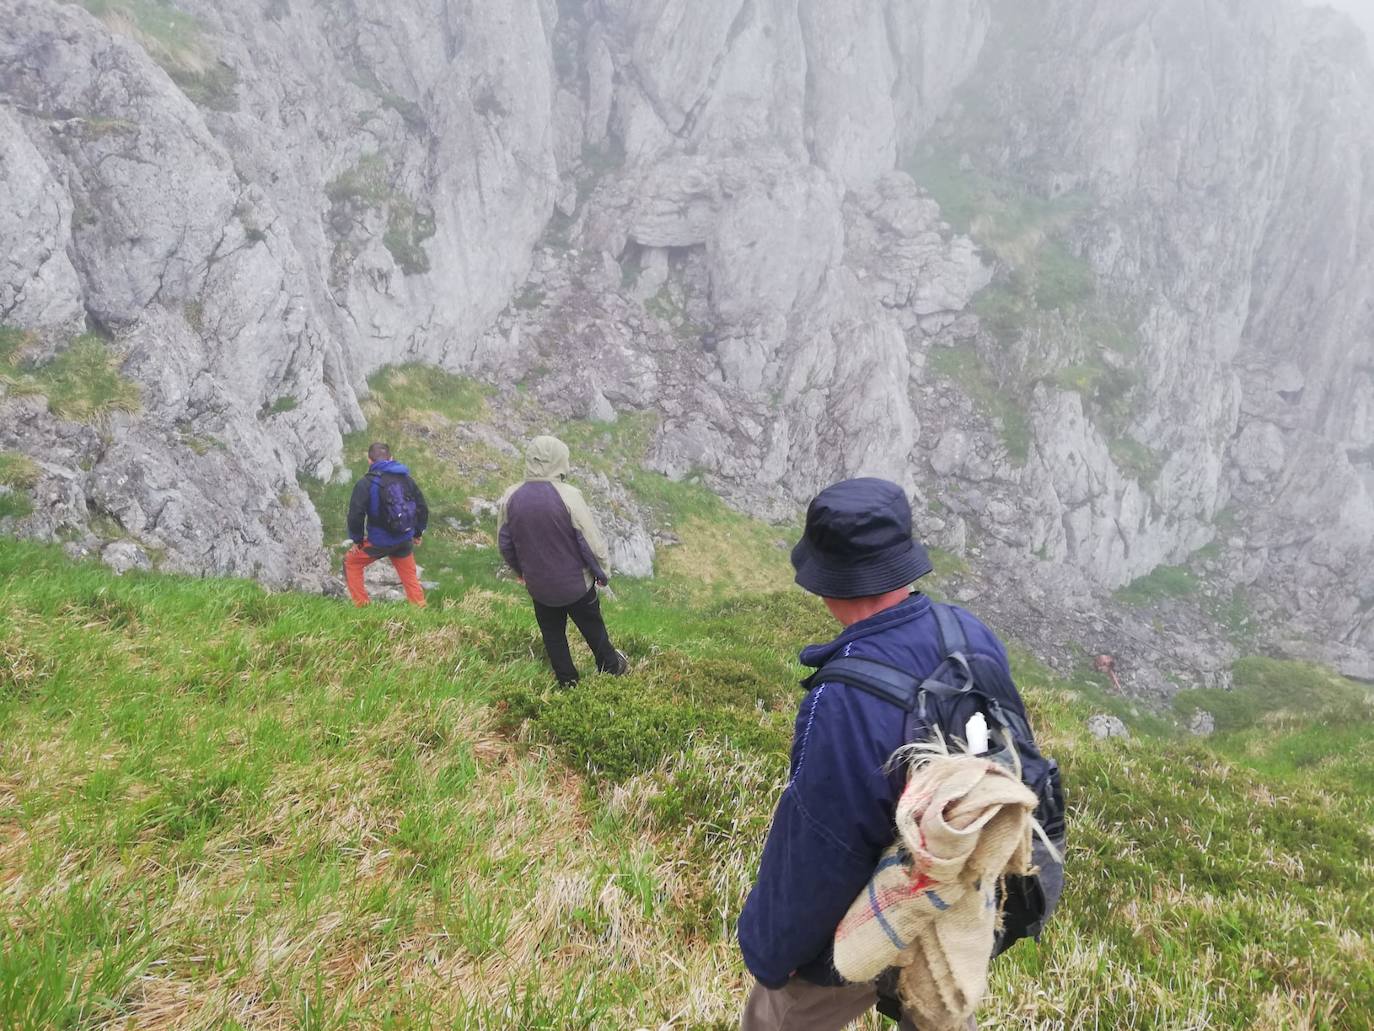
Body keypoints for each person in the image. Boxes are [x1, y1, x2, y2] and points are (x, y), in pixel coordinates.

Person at [737, 478, 1027, 1031]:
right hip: (958, 889)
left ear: (828, 582)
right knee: (939, 1007)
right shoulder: (969, 632)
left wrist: (775, 954)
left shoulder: (843, 698)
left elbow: (822, 845)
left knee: (779, 1019)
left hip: (873, 913)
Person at [497, 435, 627, 685]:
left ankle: (568, 682)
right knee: (592, 627)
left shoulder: (511, 495)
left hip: (538, 586)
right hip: (575, 585)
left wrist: (520, 571)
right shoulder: (569, 495)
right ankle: (611, 668)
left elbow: (505, 542)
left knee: (553, 634)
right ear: (560, 460)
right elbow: (589, 541)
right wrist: (601, 572)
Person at [344, 442, 429, 607]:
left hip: (379, 541)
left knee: (351, 562)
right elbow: (422, 508)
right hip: (404, 539)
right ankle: (420, 609)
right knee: (410, 578)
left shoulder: (365, 484)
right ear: (391, 458)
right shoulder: (406, 479)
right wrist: (417, 533)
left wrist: (357, 540)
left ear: (369, 460)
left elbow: (356, 514)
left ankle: (362, 608)